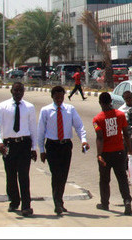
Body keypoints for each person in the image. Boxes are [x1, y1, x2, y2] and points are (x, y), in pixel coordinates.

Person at [37, 85, 90, 215]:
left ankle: (59, 200)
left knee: (63, 175)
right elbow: (40, 131)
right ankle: (58, 203)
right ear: (52, 97)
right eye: (56, 97)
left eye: (61, 97)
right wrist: (42, 150)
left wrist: (83, 140)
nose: (59, 99)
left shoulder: (70, 110)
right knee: (56, 174)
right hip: (52, 146)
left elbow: (79, 126)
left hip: (66, 146)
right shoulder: (46, 111)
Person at [0, 82, 37, 217]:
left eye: (21, 91)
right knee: (11, 175)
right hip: (9, 144)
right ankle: (14, 201)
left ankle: (26, 206)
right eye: (16, 91)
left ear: (23, 92)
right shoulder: (2, 106)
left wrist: (34, 147)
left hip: (24, 144)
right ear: (11, 91)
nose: (18, 93)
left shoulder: (29, 107)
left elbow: (33, 128)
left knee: (24, 175)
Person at [92, 92, 132, 215]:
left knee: (104, 180)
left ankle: (105, 203)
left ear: (100, 103)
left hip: (105, 154)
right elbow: (126, 134)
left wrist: (99, 154)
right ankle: (127, 201)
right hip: (119, 152)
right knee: (122, 179)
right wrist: (130, 150)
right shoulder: (120, 115)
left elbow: (100, 138)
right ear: (111, 101)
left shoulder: (97, 119)